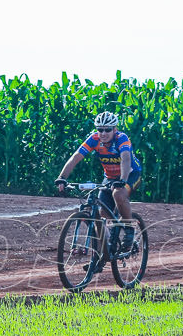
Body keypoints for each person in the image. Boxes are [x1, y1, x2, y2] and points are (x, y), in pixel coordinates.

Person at [54, 111, 142, 268]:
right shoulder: (94, 139)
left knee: (118, 194)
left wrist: (122, 180)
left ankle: (129, 229)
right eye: (100, 129)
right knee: (100, 216)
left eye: (108, 129)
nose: (103, 133)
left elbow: (126, 159)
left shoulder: (121, 138)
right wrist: (62, 177)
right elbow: (75, 157)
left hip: (130, 174)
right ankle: (102, 254)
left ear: (114, 129)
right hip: (109, 178)